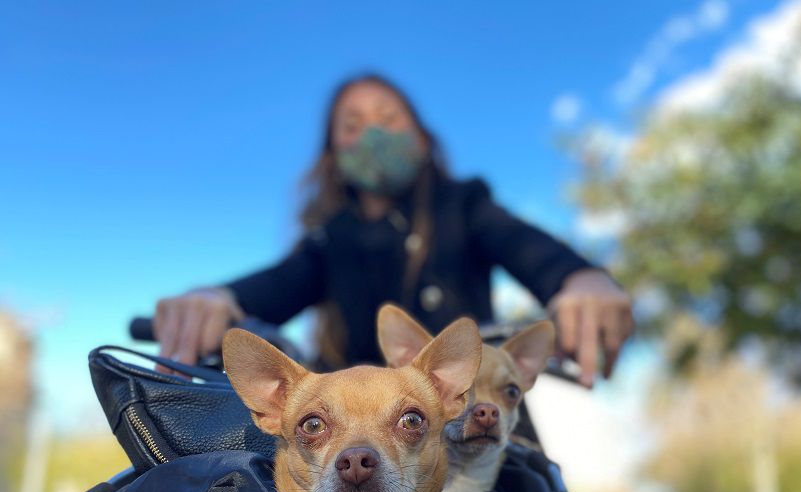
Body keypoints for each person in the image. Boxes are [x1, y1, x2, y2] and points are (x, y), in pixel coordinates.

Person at [153, 73, 634, 387]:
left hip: (474, 424)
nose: (373, 134)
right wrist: (216, 298)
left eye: (388, 118)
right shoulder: (329, 241)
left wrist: (578, 279)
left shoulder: (464, 205)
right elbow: (278, 283)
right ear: (334, 155)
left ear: (422, 139)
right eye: (352, 125)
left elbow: (522, 243)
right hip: (359, 450)